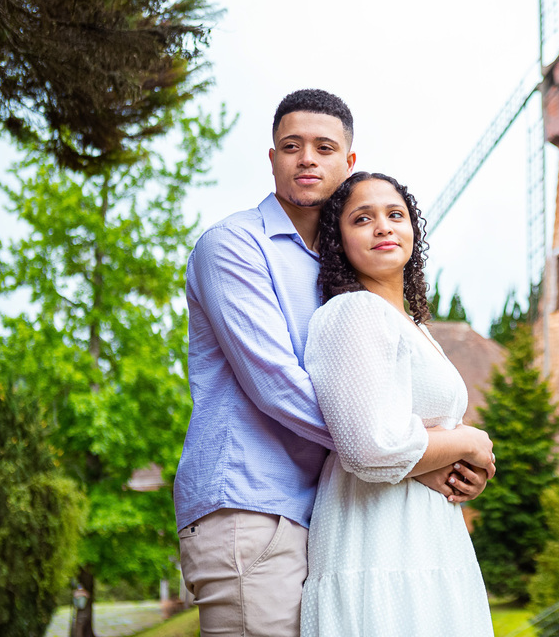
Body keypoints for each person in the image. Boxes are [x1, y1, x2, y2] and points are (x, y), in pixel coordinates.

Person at [174, 90, 489, 636]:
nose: (306, 159)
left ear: (349, 164)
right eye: (291, 146)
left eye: (324, 147)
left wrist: (421, 453)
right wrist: (421, 454)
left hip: (322, 511)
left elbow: (377, 398)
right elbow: (278, 386)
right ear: (271, 158)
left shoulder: (338, 269)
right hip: (253, 508)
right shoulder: (233, 247)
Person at [301, 171, 495, 637]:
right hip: (379, 540)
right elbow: (369, 446)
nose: (383, 227)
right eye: (362, 219)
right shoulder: (352, 313)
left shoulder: (414, 327)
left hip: (432, 539)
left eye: (395, 215)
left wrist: (465, 475)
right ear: (339, 240)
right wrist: (469, 440)